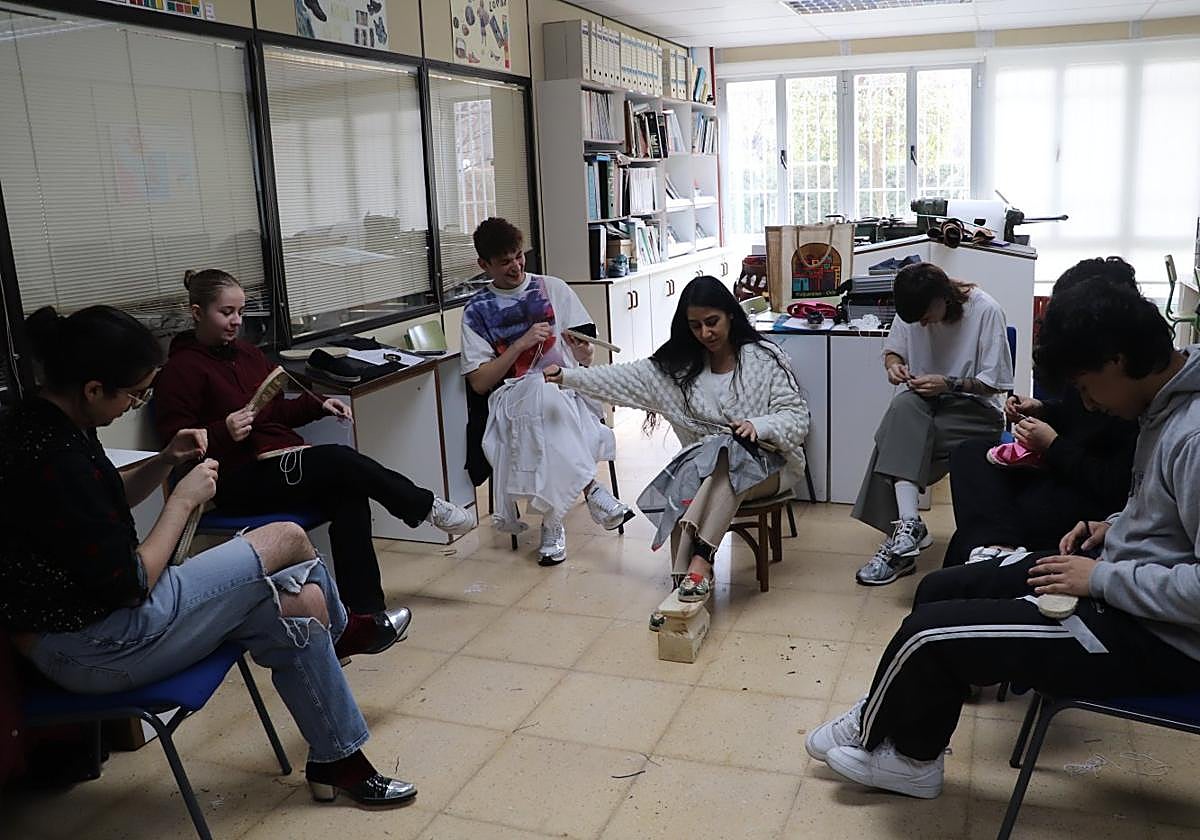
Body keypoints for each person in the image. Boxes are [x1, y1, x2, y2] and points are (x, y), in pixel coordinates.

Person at [0, 305, 417, 807]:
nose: (135, 405)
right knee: (284, 537)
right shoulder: (52, 457)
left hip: (108, 621)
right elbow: (131, 583)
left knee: (300, 607)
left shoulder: (50, 419)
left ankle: (338, 760)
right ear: (93, 389)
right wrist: (181, 499)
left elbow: (109, 493)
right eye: (134, 396)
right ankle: (346, 627)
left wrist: (166, 460)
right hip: (94, 644)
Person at [805, 279, 1200, 800]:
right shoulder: (1160, 403)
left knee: (930, 634)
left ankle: (908, 757)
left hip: (1154, 636)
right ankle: (888, 713)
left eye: (1085, 386)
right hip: (1116, 578)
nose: (1087, 401)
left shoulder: (1191, 433)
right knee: (942, 588)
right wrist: (1116, 524)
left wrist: (1102, 577)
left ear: (1117, 360)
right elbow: (1163, 509)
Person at [154, 269, 474, 651]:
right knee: (340, 462)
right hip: (235, 478)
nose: (236, 322)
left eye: (240, 313)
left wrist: (320, 405)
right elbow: (176, 447)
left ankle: (363, 617)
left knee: (348, 492)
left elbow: (276, 413)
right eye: (226, 313)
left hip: (279, 462)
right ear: (196, 312)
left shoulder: (247, 354)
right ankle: (423, 506)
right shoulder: (180, 370)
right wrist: (223, 429)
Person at [544, 276, 808, 599]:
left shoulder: (763, 358)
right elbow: (619, 378)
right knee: (705, 466)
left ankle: (698, 562)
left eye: (712, 323)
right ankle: (687, 582)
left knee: (725, 455)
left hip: (772, 467)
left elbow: (797, 418)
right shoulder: (677, 368)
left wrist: (758, 425)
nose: (705, 333)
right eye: (695, 326)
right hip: (707, 473)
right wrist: (567, 376)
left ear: (730, 315)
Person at [944, 258, 1140, 567]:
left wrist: (1052, 446)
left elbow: (1115, 485)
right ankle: (995, 549)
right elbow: (1079, 416)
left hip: (1087, 490)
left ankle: (991, 555)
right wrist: (1044, 411)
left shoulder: (1130, 395)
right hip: (1062, 464)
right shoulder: (1091, 368)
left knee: (984, 528)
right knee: (969, 454)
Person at [461, 217, 631, 566]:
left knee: (549, 401)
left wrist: (583, 351)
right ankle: (592, 490)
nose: (516, 266)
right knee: (543, 394)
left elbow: (586, 356)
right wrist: (519, 344)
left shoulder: (551, 288)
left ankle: (553, 526)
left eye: (518, 256)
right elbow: (479, 382)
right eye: (504, 261)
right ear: (484, 265)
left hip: (565, 388)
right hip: (511, 397)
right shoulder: (476, 311)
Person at [852, 262, 1013, 586]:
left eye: (927, 316)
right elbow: (893, 352)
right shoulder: (913, 308)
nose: (923, 324)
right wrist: (894, 367)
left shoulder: (985, 311)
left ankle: (903, 538)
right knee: (903, 407)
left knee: (894, 439)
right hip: (924, 405)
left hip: (975, 410)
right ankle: (909, 524)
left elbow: (995, 385)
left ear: (944, 296)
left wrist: (949, 384)